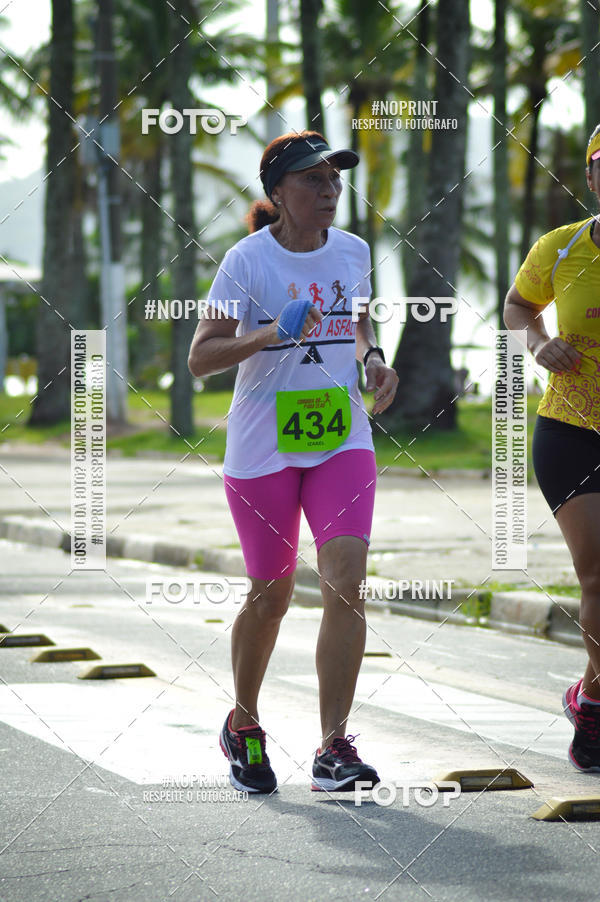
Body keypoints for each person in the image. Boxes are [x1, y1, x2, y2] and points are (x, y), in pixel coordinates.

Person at [188, 130, 399, 793]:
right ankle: (243, 722)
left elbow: (358, 320)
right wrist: (272, 333)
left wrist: (371, 359)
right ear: (277, 193)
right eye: (312, 180)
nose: (329, 189)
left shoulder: (354, 250)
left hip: (342, 439)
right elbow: (201, 356)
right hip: (263, 449)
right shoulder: (246, 263)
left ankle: (333, 745)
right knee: (272, 595)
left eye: (334, 178)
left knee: (345, 580)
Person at [504, 125, 600, 773]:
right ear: (592, 176)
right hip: (569, 431)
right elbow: (516, 305)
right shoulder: (561, 249)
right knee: (598, 575)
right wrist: (537, 345)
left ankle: (591, 697)